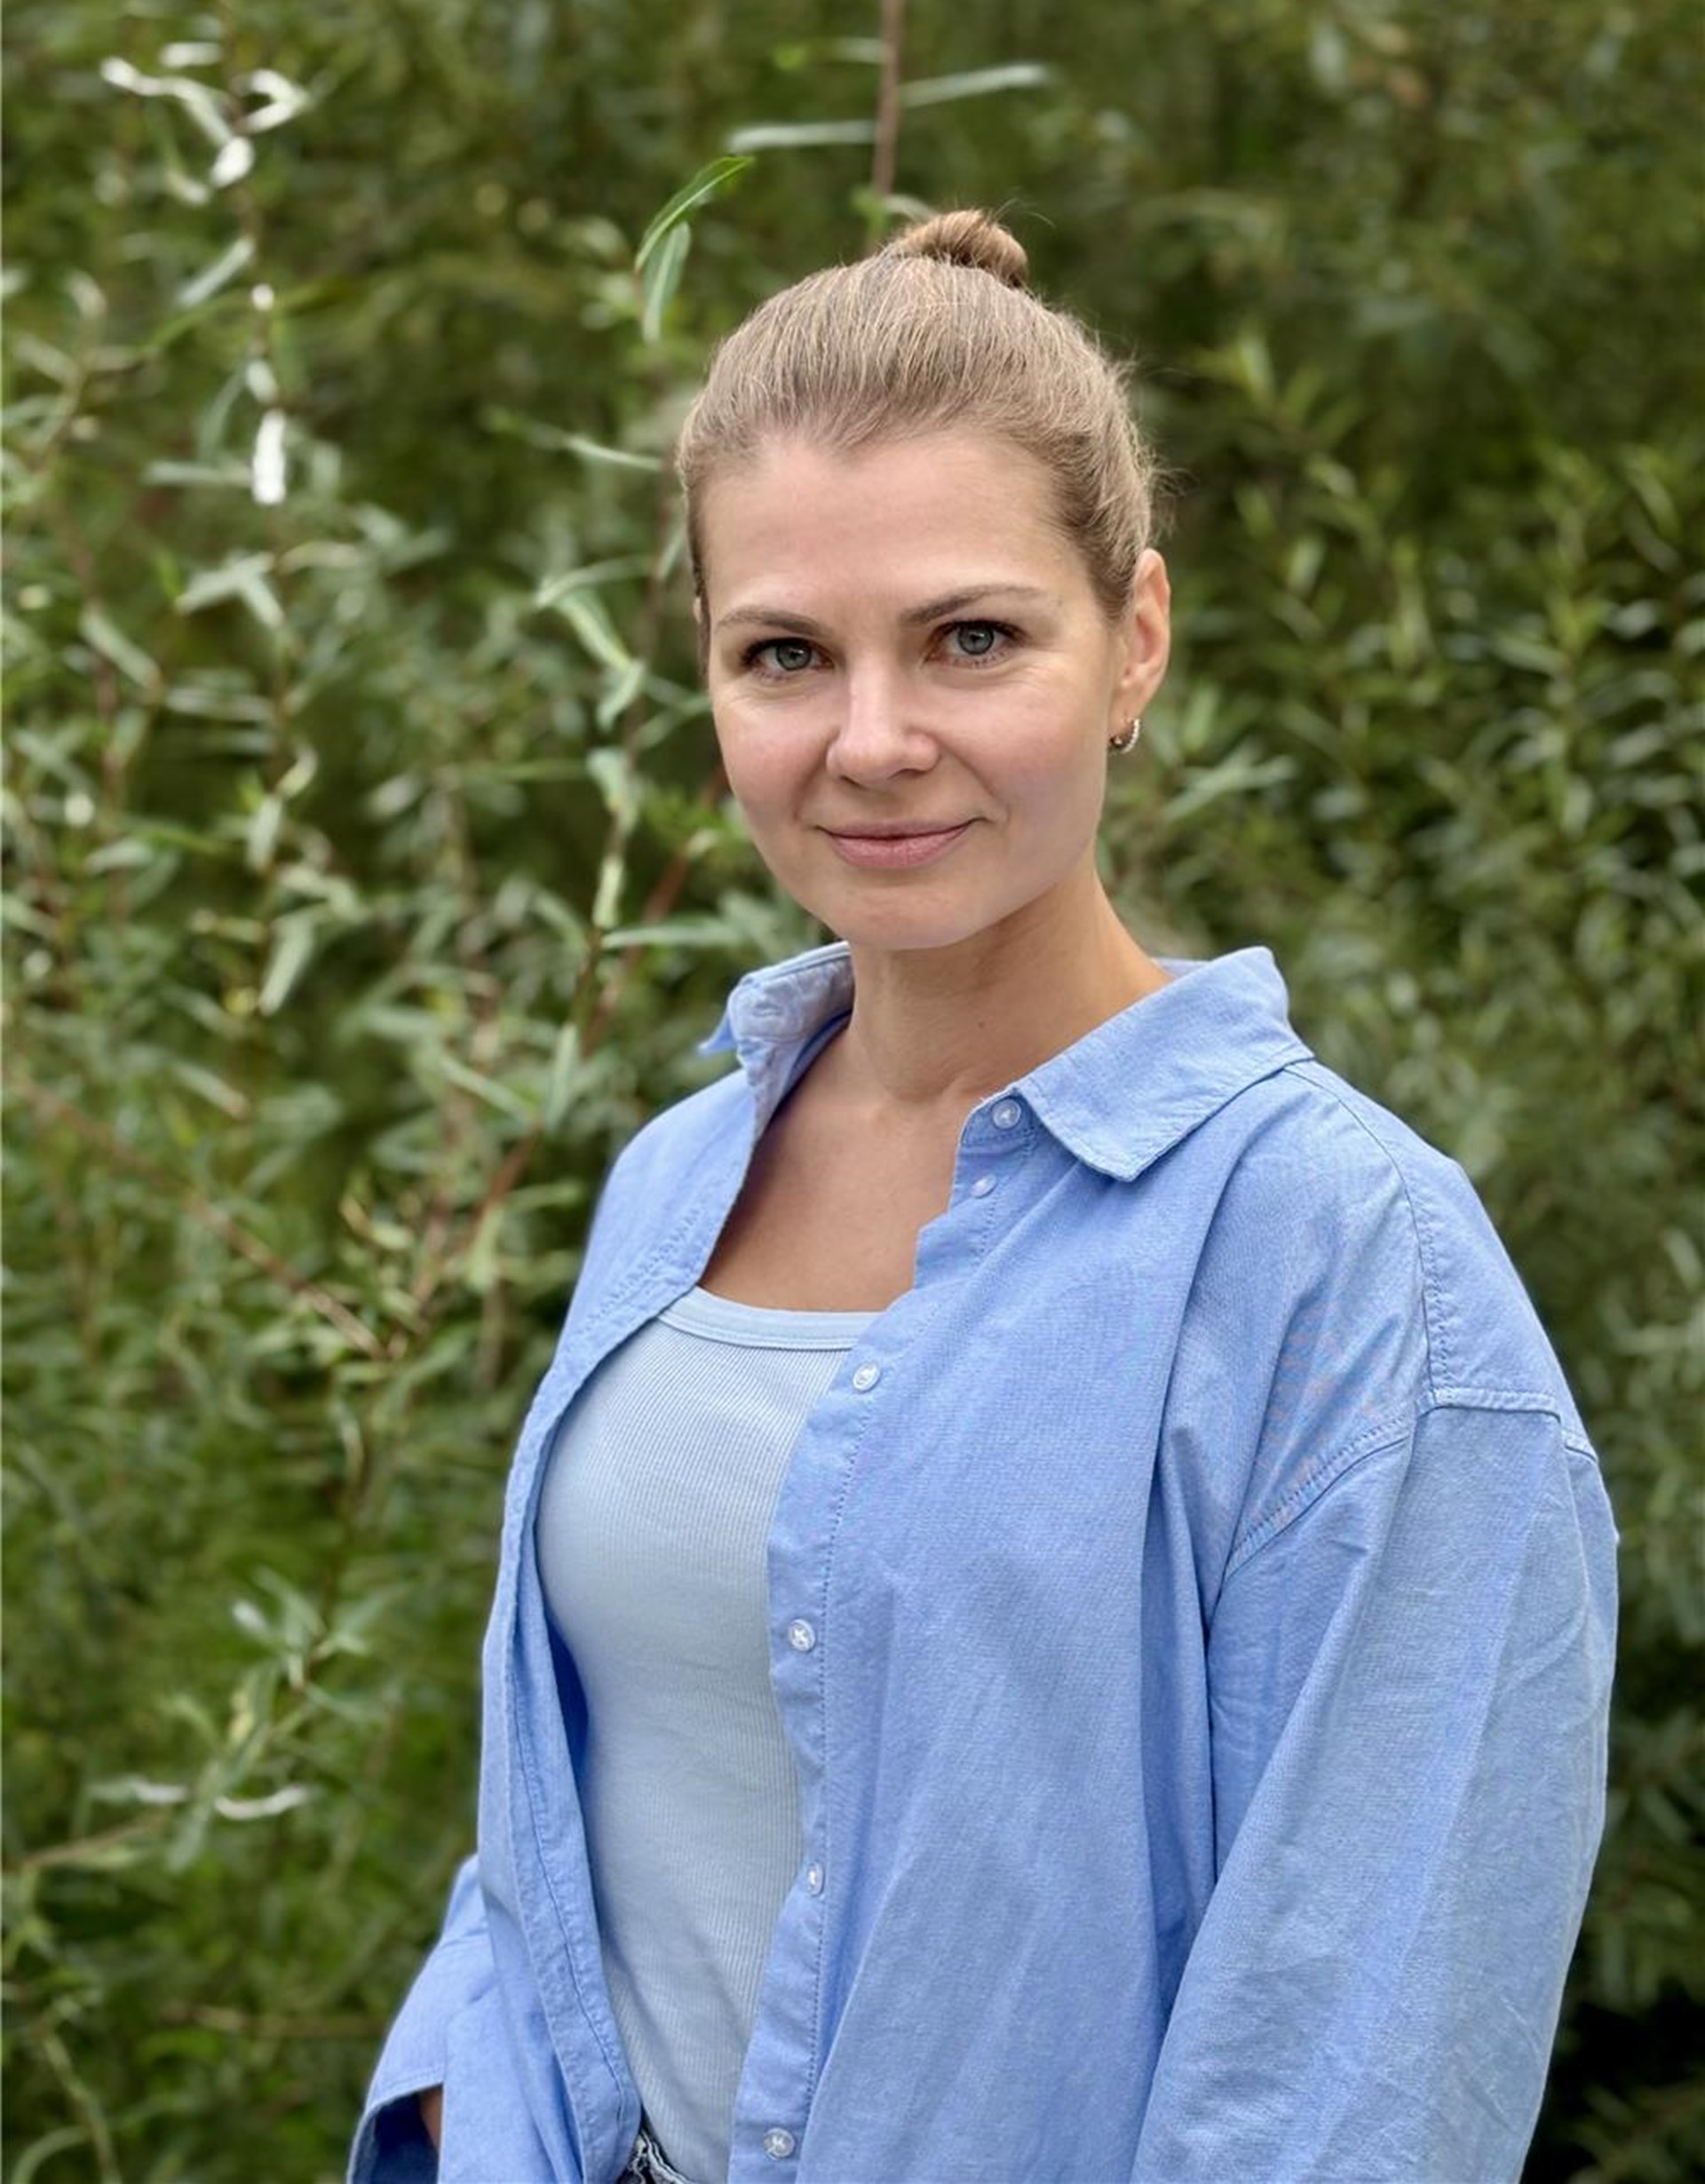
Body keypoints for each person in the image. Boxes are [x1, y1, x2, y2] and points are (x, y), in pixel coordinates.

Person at [349, 209, 1619, 2184]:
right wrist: (455, 2097)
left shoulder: (1348, 1263)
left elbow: (1356, 2065)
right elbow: (582, 1801)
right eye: (786, 654)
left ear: (1137, 639)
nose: (873, 743)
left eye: (971, 638)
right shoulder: (680, 1174)